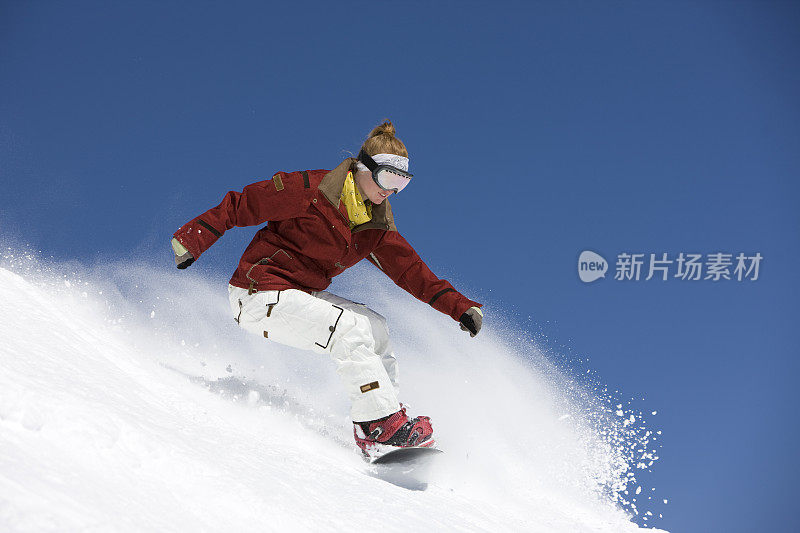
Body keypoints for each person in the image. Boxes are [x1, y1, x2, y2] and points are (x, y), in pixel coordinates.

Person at [170, 121, 483, 459]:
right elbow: (242, 204)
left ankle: (388, 419)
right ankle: (376, 425)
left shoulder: (373, 226)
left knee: (374, 327)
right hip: (257, 292)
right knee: (347, 330)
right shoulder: (310, 190)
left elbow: (411, 271)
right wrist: (193, 238)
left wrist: (459, 307)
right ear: (365, 168)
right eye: (389, 179)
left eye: (401, 184)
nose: (391, 192)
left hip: (298, 296)